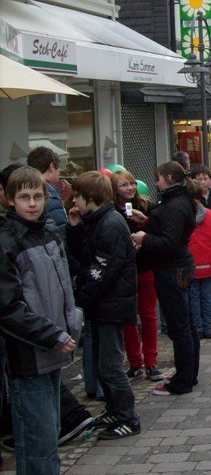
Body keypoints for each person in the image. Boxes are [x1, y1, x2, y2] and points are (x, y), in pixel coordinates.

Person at [0, 167, 79, 473]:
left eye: (36, 196)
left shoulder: (49, 232)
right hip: (29, 355)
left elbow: (63, 284)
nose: (31, 203)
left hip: (54, 350)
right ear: (10, 201)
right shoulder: (7, 242)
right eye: (24, 197)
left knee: (46, 439)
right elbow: (8, 308)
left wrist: (72, 321)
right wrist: (53, 334)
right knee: (39, 444)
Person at [66, 172, 140, 439]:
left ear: (90, 197)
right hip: (105, 305)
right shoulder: (97, 221)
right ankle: (114, 409)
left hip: (112, 305)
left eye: (77, 196)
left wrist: (82, 298)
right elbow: (84, 258)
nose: (74, 200)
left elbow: (102, 270)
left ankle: (128, 417)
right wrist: (74, 228)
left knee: (110, 365)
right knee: (102, 364)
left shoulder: (109, 224)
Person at [131, 162, 200, 396]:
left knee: (180, 327)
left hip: (172, 269)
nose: (156, 183)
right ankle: (188, 374)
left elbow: (169, 242)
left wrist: (143, 238)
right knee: (186, 325)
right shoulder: (178, 200)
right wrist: (148, 221)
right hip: (177, 267)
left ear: (169, 178)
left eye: (158, 178)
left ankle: (183, 380)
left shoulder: (176, 203)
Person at [111, 170, 164, 382]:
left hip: (145, 266)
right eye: (124, 185)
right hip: (124, 271)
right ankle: (135, 361)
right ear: (115, 189)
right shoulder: (112, 210)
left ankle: (151, 361)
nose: (130, 188)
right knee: (129, 318)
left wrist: (144, 229)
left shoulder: (145, 206)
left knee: (149, 315)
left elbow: (157, 232)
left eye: (132, 183)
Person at [187, 183, 211, 339]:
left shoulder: (185, 215)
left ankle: (197, 328)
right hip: (208, 263)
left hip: (191, 263)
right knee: (207, 296)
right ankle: (208, 327)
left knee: (194, 297)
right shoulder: (209, 215)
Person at [26, 147, 67, 232]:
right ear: (51, 166)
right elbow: (60, 228)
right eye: (58, 170)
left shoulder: (25, 189)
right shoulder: (49, 191)